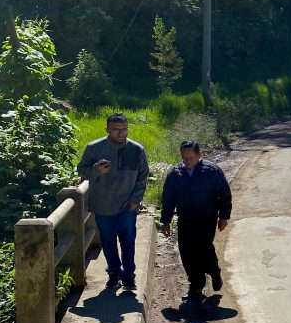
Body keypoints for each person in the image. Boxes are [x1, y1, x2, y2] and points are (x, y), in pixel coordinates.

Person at [77, 113, 149, 291]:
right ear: (107, 129)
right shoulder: (94, 148)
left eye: (124, 129)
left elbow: (143, 176)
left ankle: (128, 276)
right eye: (116, 130)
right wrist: (96, 170)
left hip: (127, 205)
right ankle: (114, 273)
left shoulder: (136, 149)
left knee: (128, 241)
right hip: (103, 205)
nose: (121, 133)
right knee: (108, 242)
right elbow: (81, 170)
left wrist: (136, 199)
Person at [159, 141, 232, 304]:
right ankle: (196, 285)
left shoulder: (212, 171)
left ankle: (214, 271)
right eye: (184, 157)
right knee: (187, 252)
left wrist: (224, 216)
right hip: (186, 218)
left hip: (207, 217)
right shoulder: (175, 174)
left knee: (203, 248)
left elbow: (224, 194)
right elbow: (168, 199)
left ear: (199, 155)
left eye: (191, 157)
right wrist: (165, 221)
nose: (187, 160)